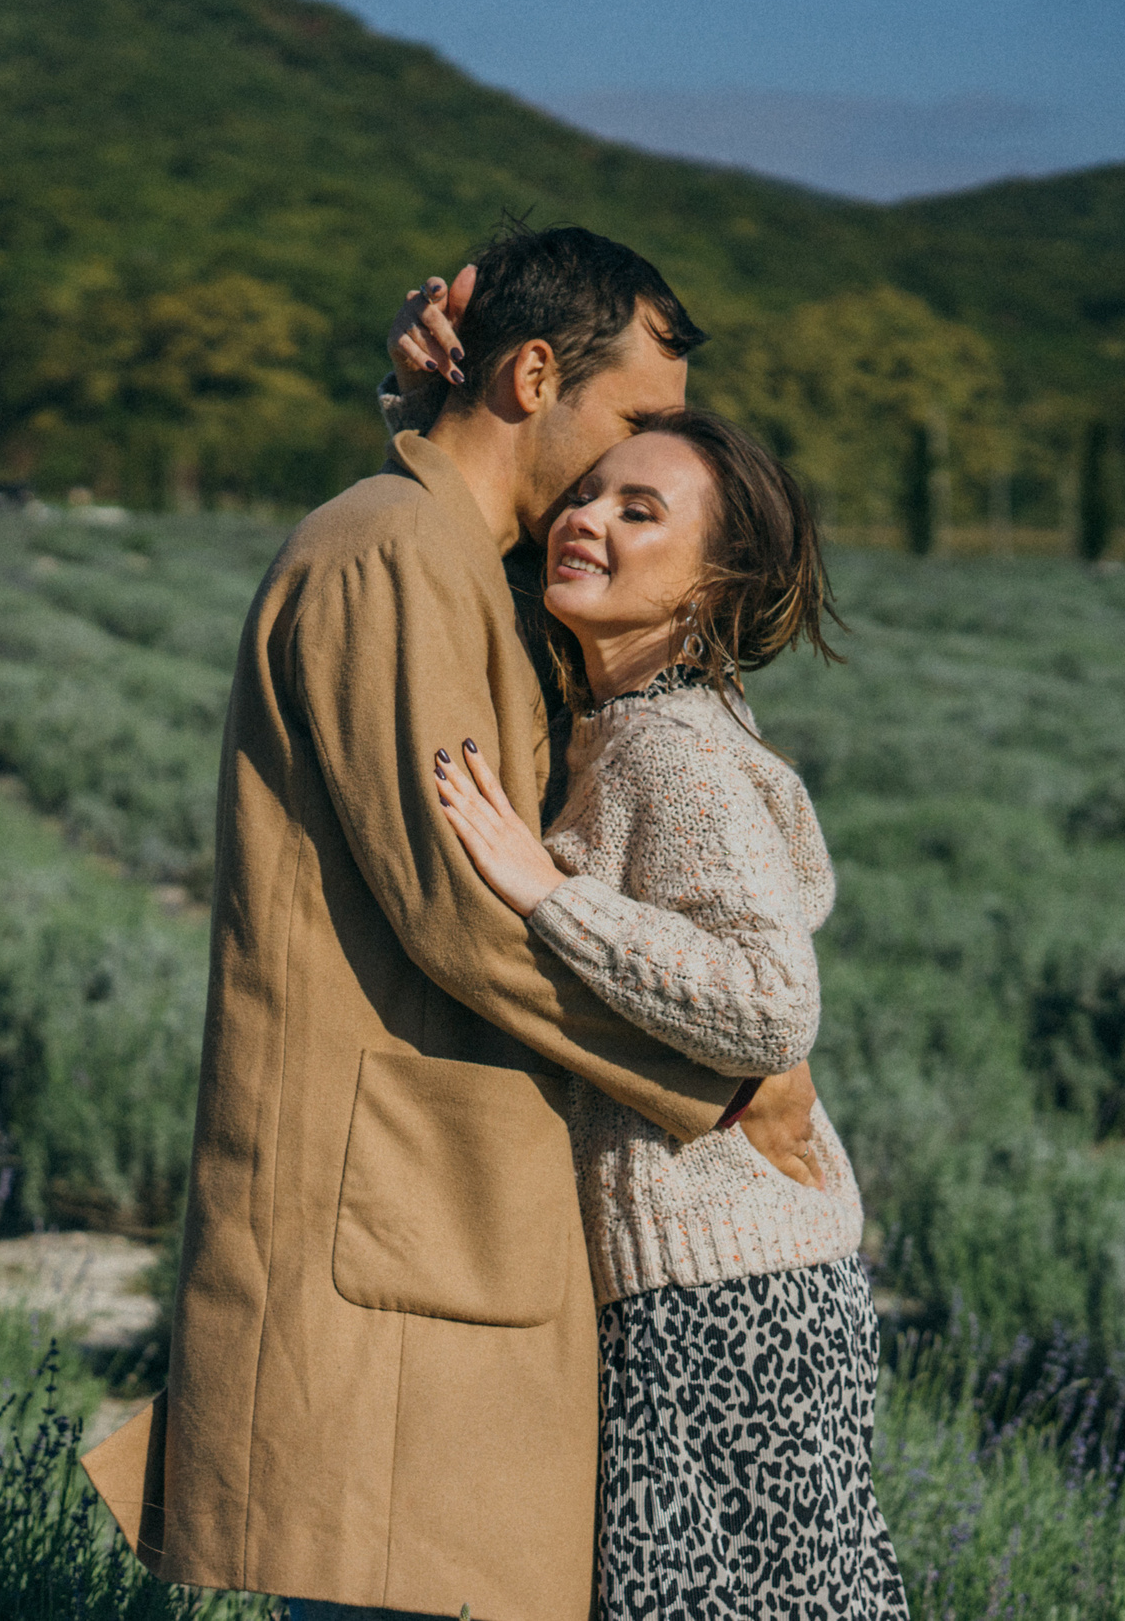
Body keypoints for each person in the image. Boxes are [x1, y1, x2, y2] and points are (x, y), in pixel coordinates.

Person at [83, 224, 819, 1621]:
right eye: (634, 427)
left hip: (443, 1217)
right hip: (401, 1227)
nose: (624, 472)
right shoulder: (392, 553)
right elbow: (458, 910)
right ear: (535, 371)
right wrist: (720, 1079)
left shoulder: (455, 556)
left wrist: (416, 403)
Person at [428, 408, 905, 1618]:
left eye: (641, 512)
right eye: (586, 495)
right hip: (706, 1286)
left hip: (722, 1297)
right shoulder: (619, 724)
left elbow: (768, 1002)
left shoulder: (666, 749)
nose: (585, 519)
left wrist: (547, 895)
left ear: (713, 586)